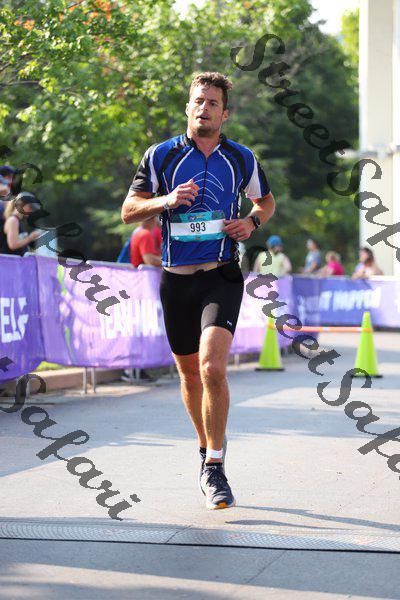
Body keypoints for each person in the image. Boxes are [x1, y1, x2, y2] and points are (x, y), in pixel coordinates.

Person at [121, 71, 275, 510]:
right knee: (189, 374)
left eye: (212, 103)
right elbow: (129, 210)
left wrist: (251, 222)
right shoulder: (161, 155)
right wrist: (165, 201)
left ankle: (215, 466)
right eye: (198, 101)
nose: (203, 108)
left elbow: (265, 201)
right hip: (176, 280)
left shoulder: (241, 158)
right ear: (187, 107)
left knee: (211, 368)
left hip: (220, 275)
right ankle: (205, 449)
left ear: (225, 114)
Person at [0, 191, 41, 255]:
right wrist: (30, 237)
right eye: (30, 207)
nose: (32, 211)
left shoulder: (18, 221)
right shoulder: (13, 220)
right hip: (9, 260)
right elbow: (13, 245)